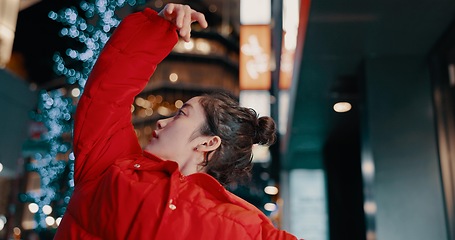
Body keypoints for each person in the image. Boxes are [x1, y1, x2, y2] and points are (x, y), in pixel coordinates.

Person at [54, 3, 299, 240]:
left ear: (208, 143)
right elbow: (106, 93)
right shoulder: (111, 164)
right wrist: (157, 29)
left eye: (181, 114)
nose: (161, 122)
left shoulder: (238, 224)